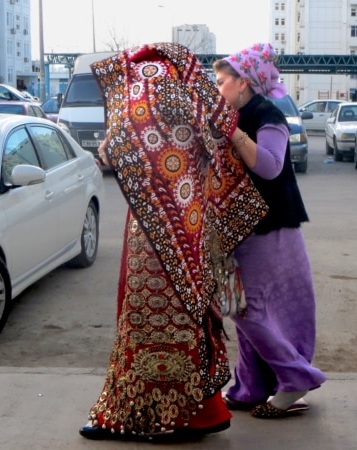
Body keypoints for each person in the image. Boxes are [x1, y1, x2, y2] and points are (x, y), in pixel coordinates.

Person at [78, 42, 268, 441]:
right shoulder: (195, 96)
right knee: (182, 317)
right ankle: (192, 413)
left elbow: (112, 151)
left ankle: (160, 416)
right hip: (191, 226)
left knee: (148, 322)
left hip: (152, 231)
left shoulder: (148, 88)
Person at [212, 43, 327, 419]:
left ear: (244, 83)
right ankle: (251, 386)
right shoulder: (233, 114)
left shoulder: (267, 115)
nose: (218, 89)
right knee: (242, 308)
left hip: (268, 224)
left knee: (248, 309)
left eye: (222, 82)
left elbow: (271, 167)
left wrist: (234, 135)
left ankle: (294, 380)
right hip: (239, 225)